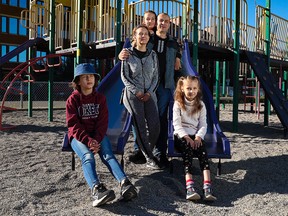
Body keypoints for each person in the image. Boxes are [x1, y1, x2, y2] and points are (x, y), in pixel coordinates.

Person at [66, 63, 137, 207]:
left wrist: (96, 139)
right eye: (85, 77)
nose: (89, 79)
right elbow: (73, 125)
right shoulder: (73, 100)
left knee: (108, 155)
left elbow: (103, 122)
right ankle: (97, 189)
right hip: (79, 137)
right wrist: (88, 140)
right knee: (87, 157)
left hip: (97, 135)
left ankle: (125, 183)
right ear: (78, 81)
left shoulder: (100, 98)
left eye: (91, 76)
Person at [119, 12, 182, 167]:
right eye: (160, 21)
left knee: (160, 118)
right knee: (138, 117)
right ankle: (139, 150)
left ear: (169, 24)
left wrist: (178, 57)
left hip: (164, 84)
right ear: (156, 23)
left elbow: (177, 58)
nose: (163, 24)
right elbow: (134, 48)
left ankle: (159, 152)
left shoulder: (173, 42)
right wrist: (122, 53)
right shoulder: (149, 37)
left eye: (166, 21)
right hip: (143, 85)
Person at [121, 25, 161, 169]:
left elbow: (156, 77)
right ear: (135, 36)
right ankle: (150, 158)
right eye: (139, 34)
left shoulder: (153, 55)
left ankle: (143, 152)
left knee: (155, 126)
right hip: (132, 95)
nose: (142, 36)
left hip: (149, 93)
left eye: (145, 34)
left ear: (149, 38)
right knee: (140, 126)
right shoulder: (127, 54)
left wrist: (149, 92)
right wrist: (137, 91)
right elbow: (124, 76)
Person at [173, 75, 217, 201]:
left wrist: (198, 137)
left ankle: (207, 187)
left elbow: (203, 124)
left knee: (203, 154)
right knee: (188, 153)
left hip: (195, 136)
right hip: (181, 136)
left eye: (194, 88)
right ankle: (190, 187)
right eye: (188, 88)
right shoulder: (178, 104)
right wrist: (186, 137)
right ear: (182, 88)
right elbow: (176, 124)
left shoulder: (201, 105)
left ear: (198, 89)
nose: (191, 91)